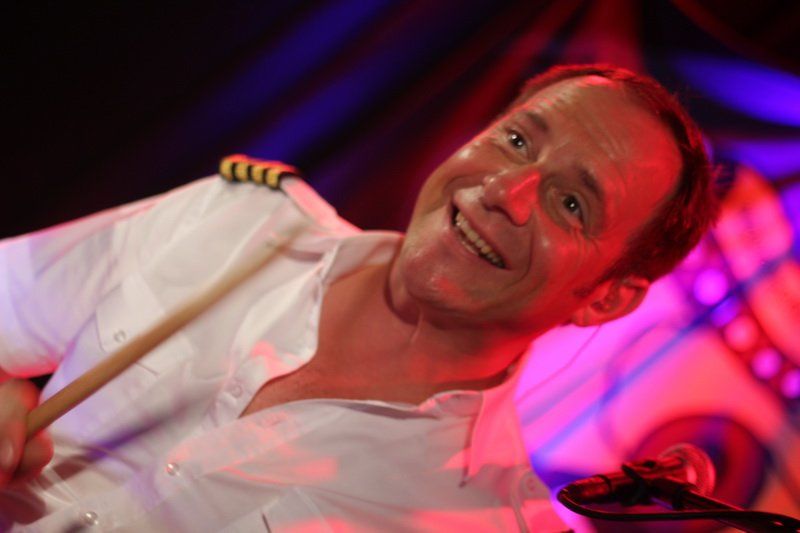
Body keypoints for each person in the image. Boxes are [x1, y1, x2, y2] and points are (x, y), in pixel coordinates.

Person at [0, 64, 718, 530]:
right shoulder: (239, 219)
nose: (505, 190)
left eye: (570, 203)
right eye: (517, 141)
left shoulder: (486, 521)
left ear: (606, 300)